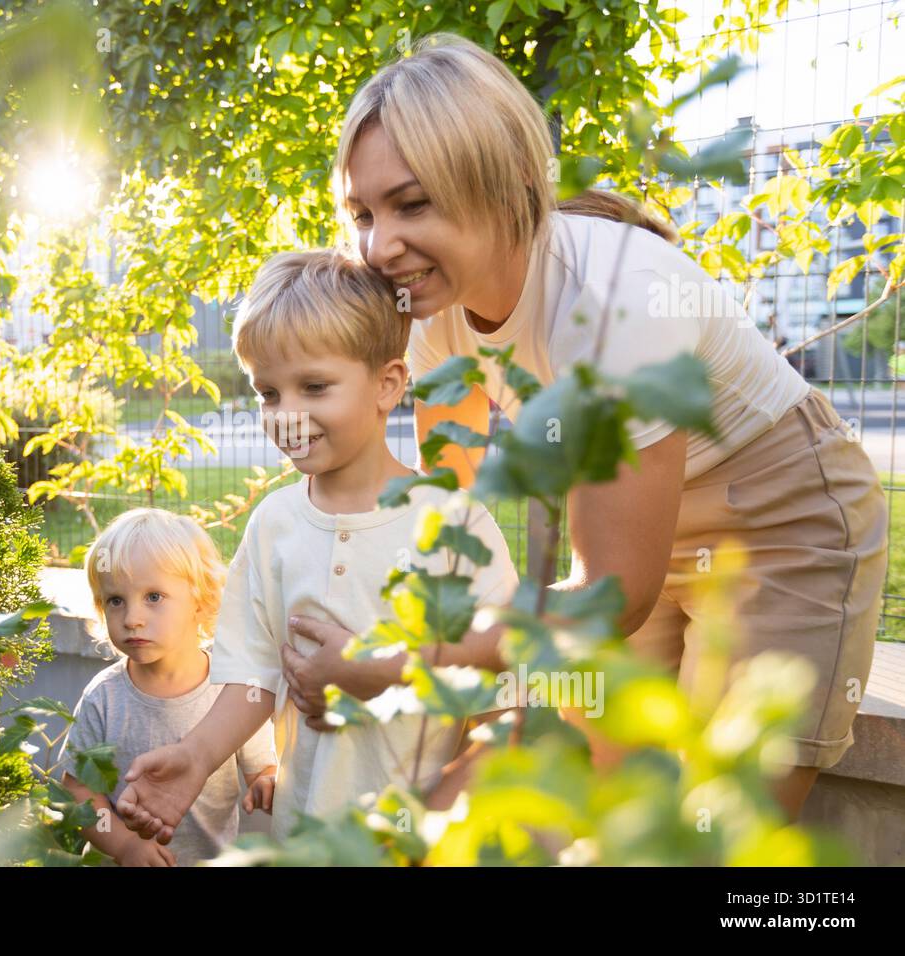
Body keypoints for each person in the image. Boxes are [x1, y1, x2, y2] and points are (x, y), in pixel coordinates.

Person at [281, 32, 889, 821]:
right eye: (363, 212)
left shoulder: (612, 302)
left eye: (412, 203)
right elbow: (445, 521)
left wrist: (392, 668)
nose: (378, 246)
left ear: (497, 187)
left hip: (783, 522)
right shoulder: (428, 312)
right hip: (637, 530)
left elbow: (608, 599)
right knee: (606, 800)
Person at [113, 249, 519, 845]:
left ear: (387, 384)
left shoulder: (456, 525)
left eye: (314, 387)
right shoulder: (274, 523)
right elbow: (253, 676)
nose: (287, 417)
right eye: (268, 394)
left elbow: (506, 697)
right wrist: (196, 758)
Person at [54, 507, 277, 866]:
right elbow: (78, 789)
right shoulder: (104, 697)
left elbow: (261, 766)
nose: (132, 619)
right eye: (116, 601)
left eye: (153, 597)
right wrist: (125, 845)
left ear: (201, 600)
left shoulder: (230, 695)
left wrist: (266, 782)